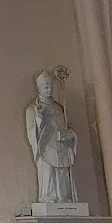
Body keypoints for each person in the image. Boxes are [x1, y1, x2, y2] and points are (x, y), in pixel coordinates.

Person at [25, 68, 79, 204]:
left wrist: (69, 135)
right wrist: (39, 117)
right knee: (48, 175)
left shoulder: (59, 108)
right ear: (39, 89)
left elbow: (67, 126)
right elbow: (32, 131)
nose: (49, 90)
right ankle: (49, 198)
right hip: (46, 148)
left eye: (50, 87)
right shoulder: (33, 108)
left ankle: (65, 199)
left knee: (62, 177)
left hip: (61, 148)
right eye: (46, 87)